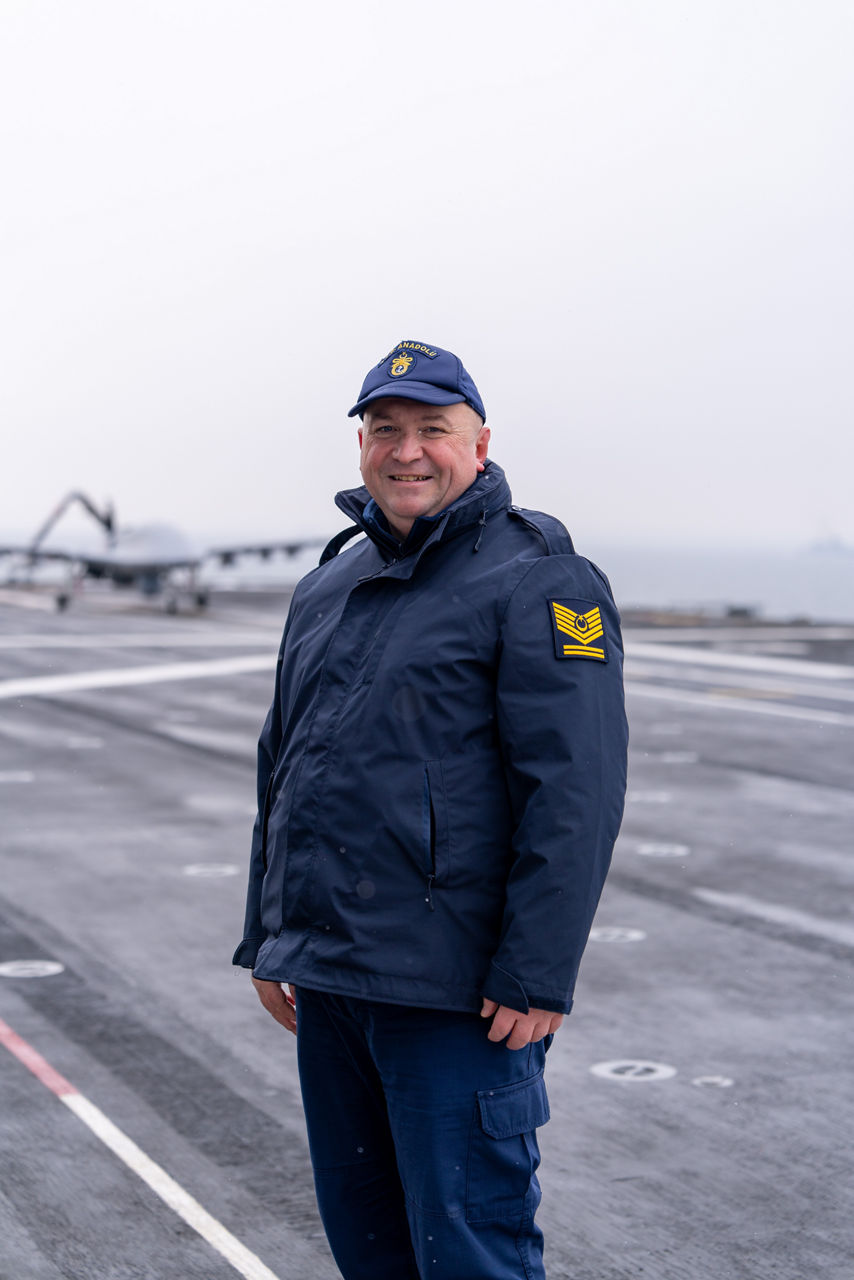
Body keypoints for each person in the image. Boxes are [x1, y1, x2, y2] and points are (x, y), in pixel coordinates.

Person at [234, 339, 628, 1280]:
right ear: (363, 446)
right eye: (385, 430)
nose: (406, 451)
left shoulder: (540, 579)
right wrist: (268, 937)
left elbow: (576, 790)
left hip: (455, 996)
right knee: (367, 1249)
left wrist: (536, 972)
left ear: (479, 444)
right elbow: (282, 769)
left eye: (432, 430)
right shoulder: (329, 584)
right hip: (331, 986)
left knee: (469, 1256)